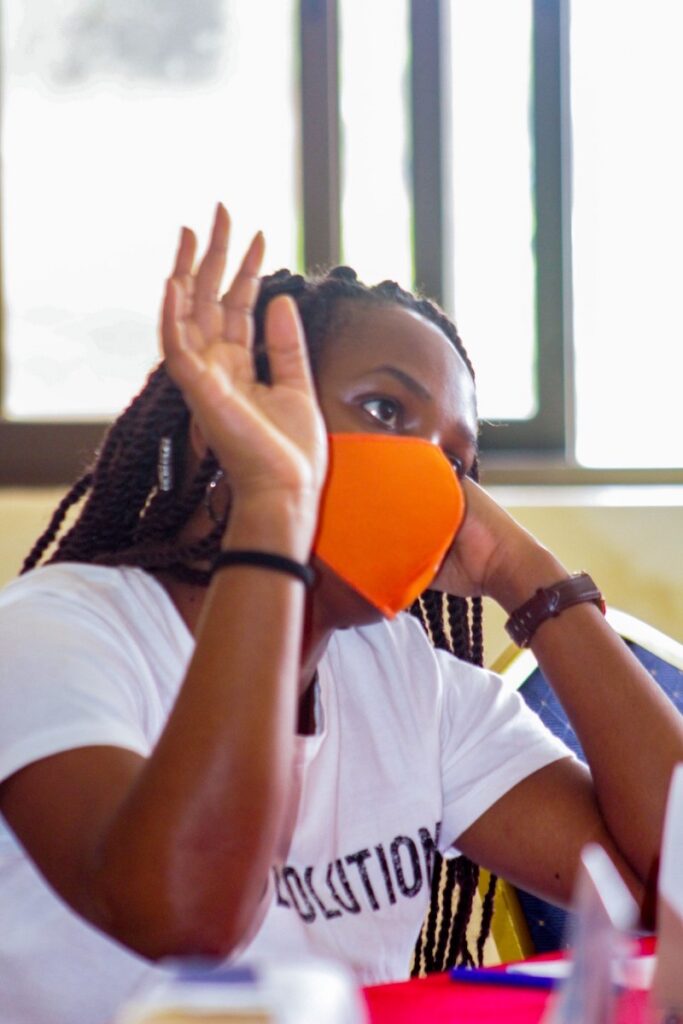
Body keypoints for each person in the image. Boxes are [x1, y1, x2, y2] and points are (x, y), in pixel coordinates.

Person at [0, 203, 681, 1024]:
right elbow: (185, 920)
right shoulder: (52, 636)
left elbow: (666, 880)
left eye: (456, 464)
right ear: (231, 425)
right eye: (386, 412)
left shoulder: (414, 684)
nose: (431, 480)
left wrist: (524, 575)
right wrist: (273, 510)